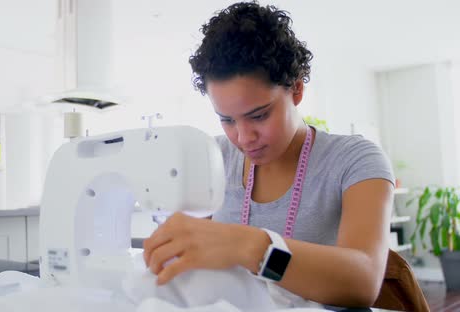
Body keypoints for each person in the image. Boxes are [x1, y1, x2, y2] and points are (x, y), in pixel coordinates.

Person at [142, 1, 395, 308]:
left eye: (259, 116)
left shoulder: (355, 160)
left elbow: (363, 282)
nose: (243, 137)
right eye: (227, 119)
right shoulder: (211, 158)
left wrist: (251, 246)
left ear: (297, 90)